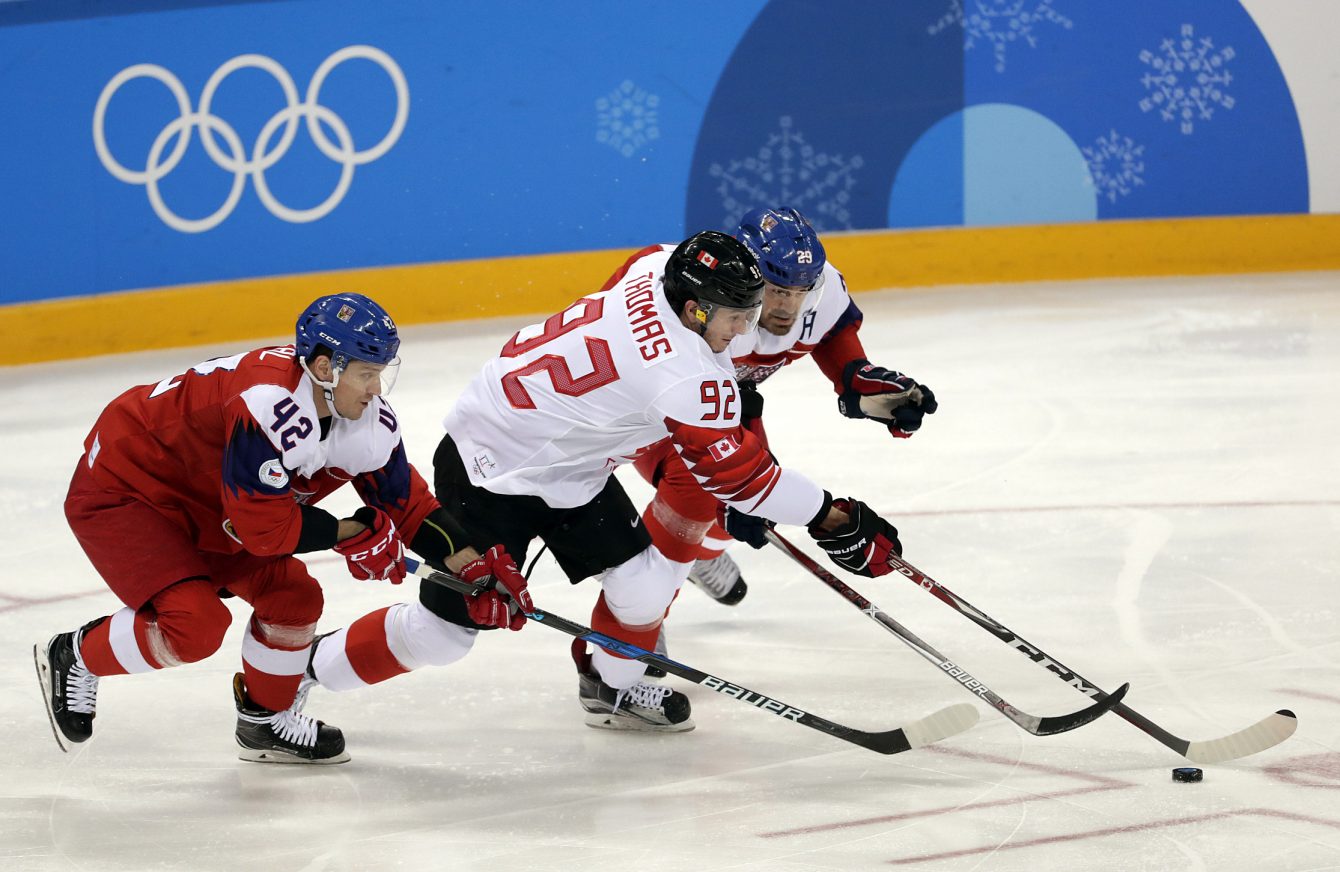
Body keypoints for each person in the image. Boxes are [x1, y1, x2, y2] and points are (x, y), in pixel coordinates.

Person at [303, 231, 904, 732]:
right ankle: (303, 668)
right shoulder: (681, 374)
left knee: (643, 589)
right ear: (696, 309)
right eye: (737, 317)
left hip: (573, 467)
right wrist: (836, 518)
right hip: (491, 466)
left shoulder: (656, 266)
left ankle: (607, 685)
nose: (746, 330)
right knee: (445, 634)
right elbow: (746, 481)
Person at [35, 293, 529, 764]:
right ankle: (74, 654)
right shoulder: (266, 404)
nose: (376, 389)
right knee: (196, 626)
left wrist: (470, 564)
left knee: (294, 599)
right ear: (323, 368)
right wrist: (351, 533)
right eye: (365, 374)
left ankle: (263, 720)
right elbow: (262, 530)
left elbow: (407, 504)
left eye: (380, 373)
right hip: (131, 489)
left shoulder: (361, 417)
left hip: (216, 503)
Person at [632, 207, 938, 606]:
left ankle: (698, 559)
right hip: (650, 408)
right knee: (702, 495)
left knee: (750, 498)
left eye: (800, 292)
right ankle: (642, 608)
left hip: (723, 405)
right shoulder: (701, 306)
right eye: (778, 291)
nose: (788, 308)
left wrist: (856, 378)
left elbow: (831, 334)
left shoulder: (821, 292)